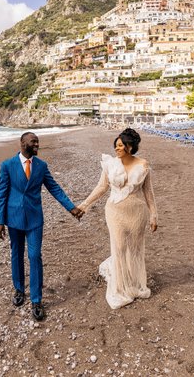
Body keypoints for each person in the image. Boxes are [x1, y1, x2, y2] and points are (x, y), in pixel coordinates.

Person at [0, 132, 82, 321]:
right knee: (16, 254)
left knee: (35, 256)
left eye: (37, 142)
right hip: (13, 218)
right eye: (33, 141)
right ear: (22, 142)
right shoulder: (7, 165)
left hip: (35, 219)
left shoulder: (41, 166)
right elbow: (1, 194)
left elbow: (55, 188)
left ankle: (36, 300)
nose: (37, 144)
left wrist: (71, 208)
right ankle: (19, 290)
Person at [78, 127, 158, 309]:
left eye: (120, 146)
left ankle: (135, 284)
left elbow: (149, 193)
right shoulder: (110, 164)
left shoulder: (143, 165)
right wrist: (84, 205)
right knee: (120, 247)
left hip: (138, 212)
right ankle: (120, 288)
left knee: (136, 249)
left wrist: (154, 215)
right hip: (114, 211)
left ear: (130, 147)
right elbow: (101, 187)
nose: (117, 149)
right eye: (116, 146)